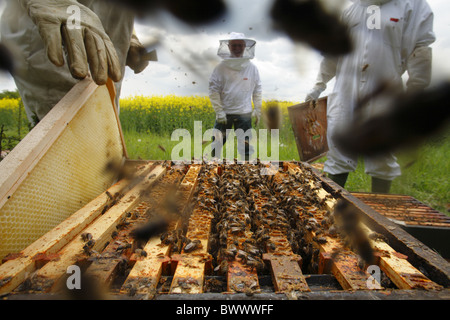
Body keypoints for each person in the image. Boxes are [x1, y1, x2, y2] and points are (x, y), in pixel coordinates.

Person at [305, 0, 435, 193]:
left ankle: (379, 214)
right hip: (345, 91)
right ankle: (330, 207)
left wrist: (415, 92)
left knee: (382, 152)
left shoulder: (412, 6)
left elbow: (420, 50)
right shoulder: (350, 10)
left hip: (384, 90)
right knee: (338, 149)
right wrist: (318, 85)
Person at [0, 0, 149, 125]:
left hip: (107, 44)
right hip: (53, 33)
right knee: (66, 141)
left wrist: (131, 36)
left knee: (105, 133)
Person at [209, 32, 262, 161]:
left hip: (244, 113)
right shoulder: (220, 68)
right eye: (234, 45)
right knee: (217, 144)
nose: (237, 48)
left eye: (240, 45)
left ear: (245, 47)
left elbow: (257, 90)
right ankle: (212, 168)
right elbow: (213, 90)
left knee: (246, 146)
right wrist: (219, 111)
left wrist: (258, 109)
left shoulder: (252, 68)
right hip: (225, 114)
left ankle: (248, 171)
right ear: (228, 46)